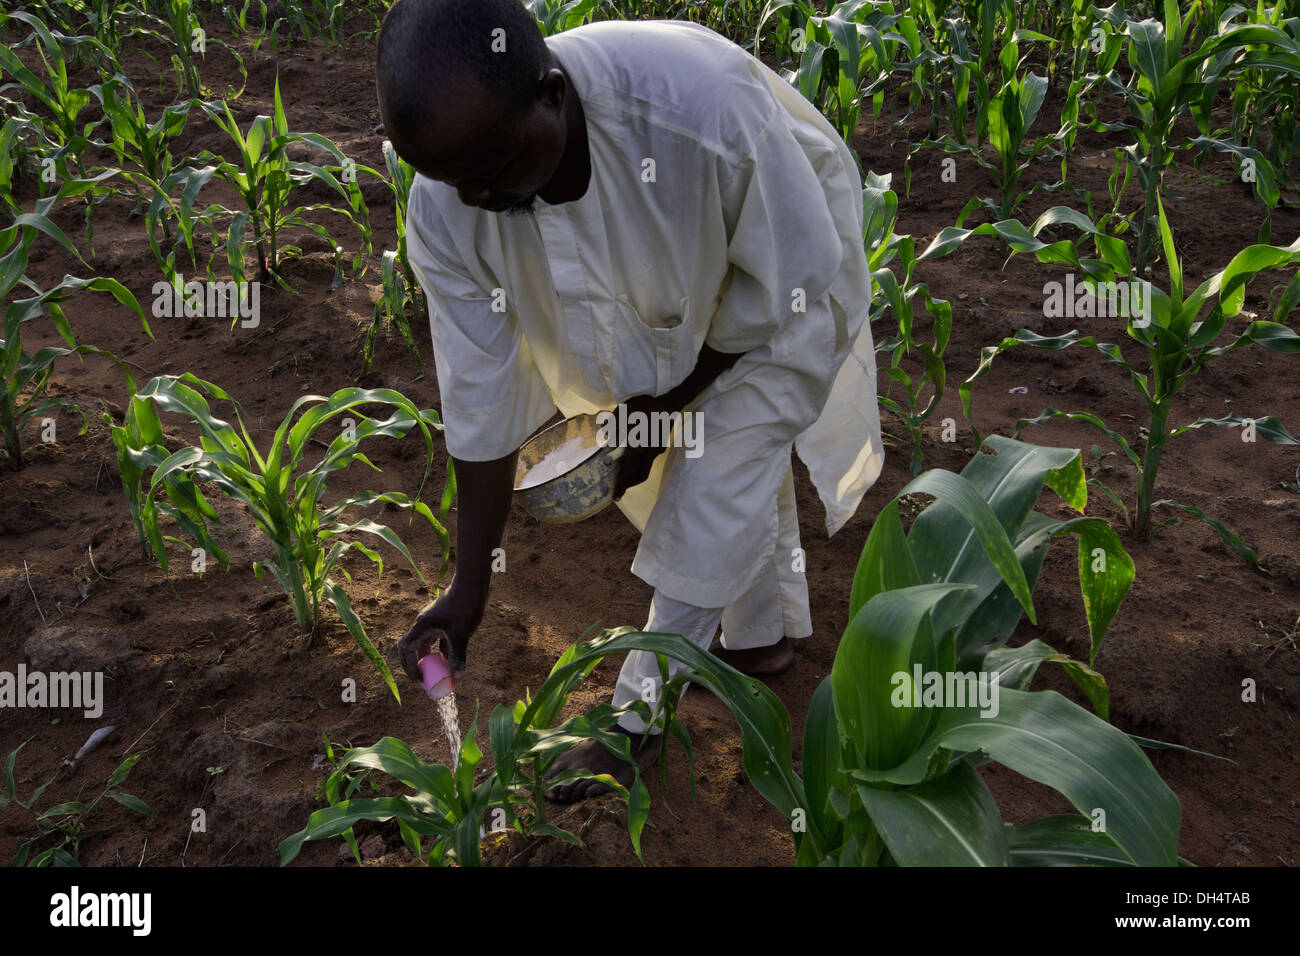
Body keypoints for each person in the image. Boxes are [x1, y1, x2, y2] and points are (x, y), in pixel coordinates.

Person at [376, 0, 884, 802]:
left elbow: (779, 290)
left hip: (785, 269)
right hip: (684, 285)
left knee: (720, 469)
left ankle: (637, 720)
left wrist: (666, 407)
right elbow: (479, 404)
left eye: (488, 170)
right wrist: (467, 590)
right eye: (449, 179)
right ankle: (757, 640)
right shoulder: (450, 204)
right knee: (721, 455)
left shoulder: (700, 114)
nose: (471, 197)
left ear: (551, 95)